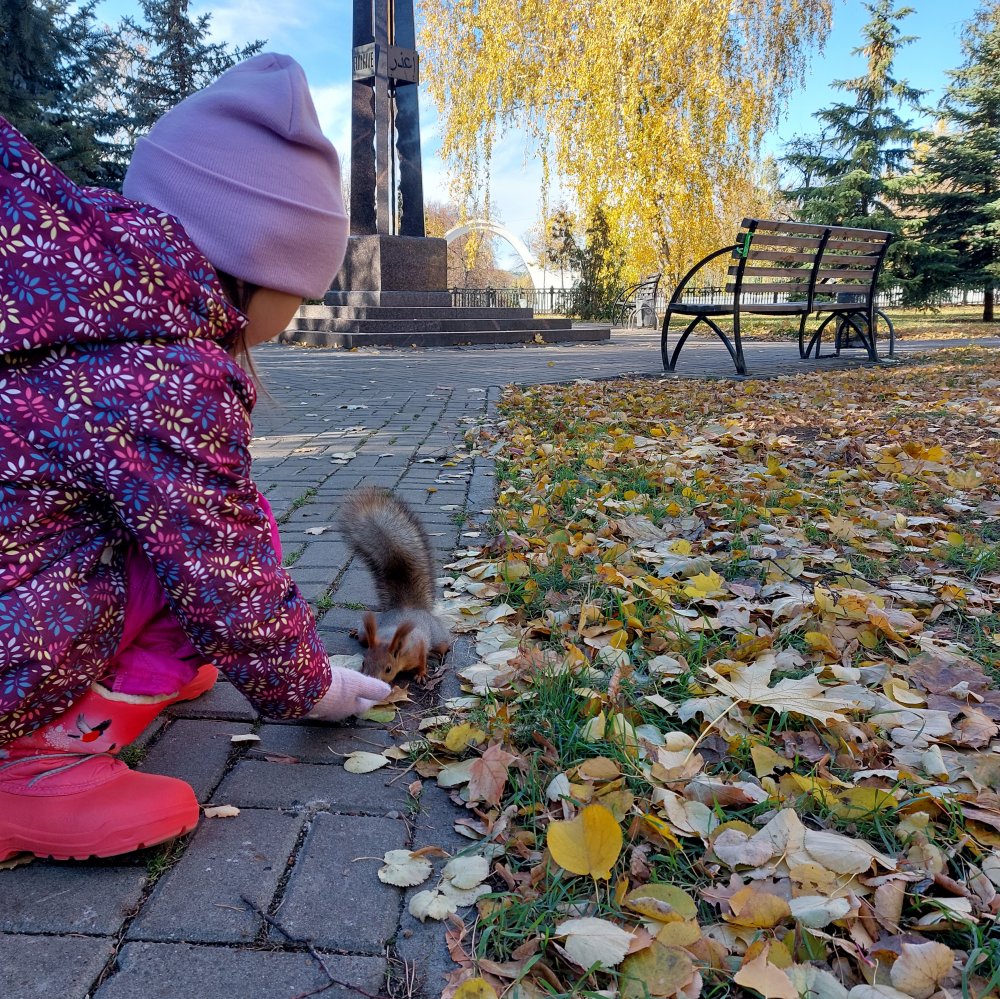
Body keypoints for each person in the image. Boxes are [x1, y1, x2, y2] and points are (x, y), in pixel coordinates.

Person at [0, 53, 391, 863]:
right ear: (260, 267)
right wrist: (308, 685)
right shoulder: (171, 369)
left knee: (180, 548)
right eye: (303, 289)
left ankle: (131, 674)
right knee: (221, 550)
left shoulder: (83, 292)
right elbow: (226, 564)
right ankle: (38, 760)